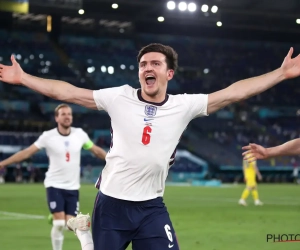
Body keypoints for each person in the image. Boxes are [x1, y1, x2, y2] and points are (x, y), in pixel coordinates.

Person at [1, 44, 300, 250]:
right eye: (143, 64)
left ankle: (83, 233)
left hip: (151, 208)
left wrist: (280, 73)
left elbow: (234, 92)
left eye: (155, 63)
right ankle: (84, 235)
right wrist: (24, 78)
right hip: (112, 204)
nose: (147, 67)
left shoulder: (184, 105)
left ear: (169, 73)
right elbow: (67, 91)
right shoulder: (119, 97)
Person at [0, 103, 106, 250]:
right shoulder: (48, 136)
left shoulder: (80, 134)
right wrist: (3, 163)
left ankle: (55, 216)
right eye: (63, 114)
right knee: (59, 223)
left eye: (69, 114)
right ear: (56, 118)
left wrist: (111, 160)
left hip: (73, 187)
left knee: (72, 224)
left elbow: (95, 150)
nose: (67, 116)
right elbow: (27, 153)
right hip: (54, 184)